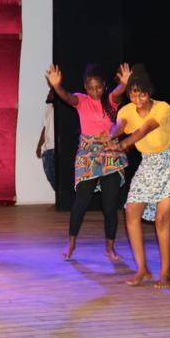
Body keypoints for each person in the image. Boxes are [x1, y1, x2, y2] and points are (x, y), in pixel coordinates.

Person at [109, 64, 170, 288]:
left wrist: (126, 143)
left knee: (161, 219)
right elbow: (120, 125)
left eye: (142, 93)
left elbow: (145, 129)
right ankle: (142, 270)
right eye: (133, 93)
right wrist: (110, 135)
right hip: (148, 164)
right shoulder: (126, 110)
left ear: (149, 92)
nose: (137, 98)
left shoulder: (163, 108)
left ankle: (165, 273)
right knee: (131, 212)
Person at [46, 63, 130, 261]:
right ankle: (71, 244)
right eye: (91, 88)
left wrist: (125, 83)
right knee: (81, 202)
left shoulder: (110, 101)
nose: (95, 91)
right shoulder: (81, 100)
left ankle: (110, 247)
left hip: (109, 152)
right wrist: (57, 86)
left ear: (104, 86)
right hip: (87, 155)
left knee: (109, 205)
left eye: (98, 87)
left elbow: (118, 93)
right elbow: (67, 97)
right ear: (85, 87)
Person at [35, 88, 56, 191]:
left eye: (50, 93)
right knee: (50, 175)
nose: (48, 95)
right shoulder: (48, 108)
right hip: (47, 148)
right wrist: (39, 146)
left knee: (56, 176)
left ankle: (61, 200)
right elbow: (44, 129)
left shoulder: (61, 110)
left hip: (56, 148)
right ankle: (60, 199)